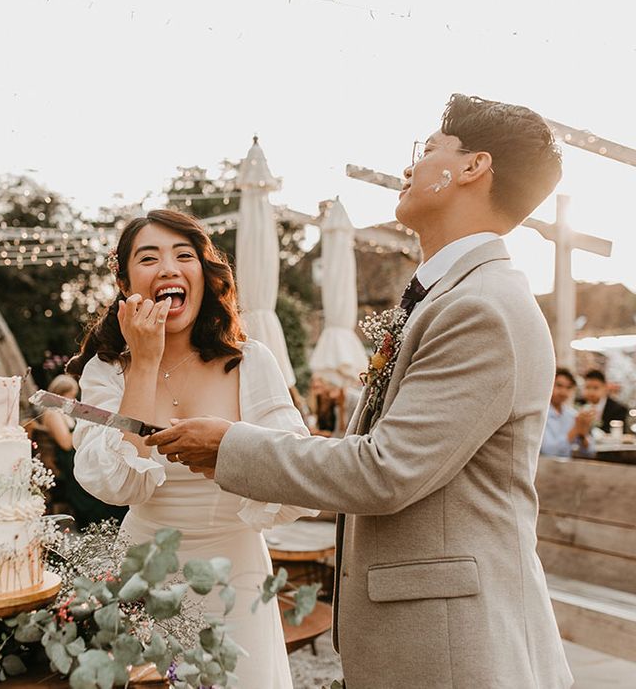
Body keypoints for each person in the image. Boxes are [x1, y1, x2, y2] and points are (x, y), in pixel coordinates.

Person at [147, 95, 573, 688]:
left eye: (428, 151)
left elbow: (385, 470)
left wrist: (230, 447)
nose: (409, 169)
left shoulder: (482, 310)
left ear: (472, 168)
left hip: (455, 646)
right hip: (431, 632)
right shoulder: (456, 297)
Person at [66, 210, 315, 689]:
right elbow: (115, 486)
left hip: (237, 575)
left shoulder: (251, 361)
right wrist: (143, 362)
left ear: (204, 272)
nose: (169, 269)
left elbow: (296, 478)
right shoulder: (104, 371)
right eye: (148, 258)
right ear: (124, 281)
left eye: (185, 256)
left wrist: (227, 448)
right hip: (144, 575)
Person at [40, 374, 128, 529]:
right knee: (96, 472)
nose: (74, 401)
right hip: (67, 461)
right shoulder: (52, 413)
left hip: (76, 454)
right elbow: (66, 443)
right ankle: (100, 516)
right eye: (70, 397)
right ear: (60, 394)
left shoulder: (65, 412)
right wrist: (89, 424)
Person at [540, 368, 594, 458]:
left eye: (568, 388)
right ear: (549, 384)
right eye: (559, 386)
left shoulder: (572, 415)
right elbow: (548, 451)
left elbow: (589, 452)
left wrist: (583, 434)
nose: (563, 392)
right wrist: (575, 429)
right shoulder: (540, 413)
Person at [581, 368, 629, 434]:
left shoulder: (618, 409)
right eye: (587, 387)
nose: (591, 392)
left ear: (605, 388)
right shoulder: (579, 404)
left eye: (595, 388)